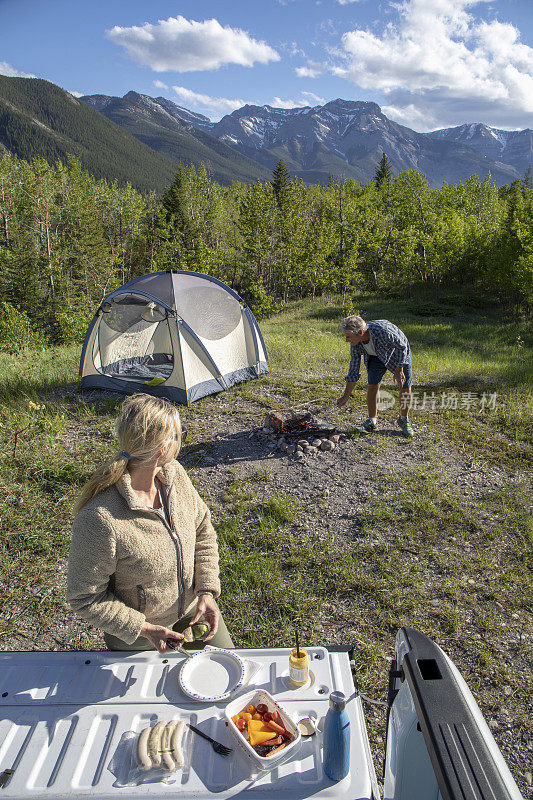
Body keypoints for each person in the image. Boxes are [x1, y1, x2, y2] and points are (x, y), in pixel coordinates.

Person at [67, 393, 233, 653]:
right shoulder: (100, 520)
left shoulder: (174, 474)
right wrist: (144, 629)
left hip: (194, 613)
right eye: (181, 434)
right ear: (162, 449)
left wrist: (207, 590)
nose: (183, 440)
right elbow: (85, 598)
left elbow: (203, 529)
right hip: (138, 635)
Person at [337, 315, 414, 437]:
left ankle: (404, 419)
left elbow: (402, 346)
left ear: (360, 332)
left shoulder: (383, 332)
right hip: (375, 356)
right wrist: (345, 396)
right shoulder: (356, 343)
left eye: (348, 337)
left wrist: (399, 369)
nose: (346, 340)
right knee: (373, 386)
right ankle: (372, 421)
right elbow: (353, 370)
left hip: (397, 354)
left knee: (404, 386)